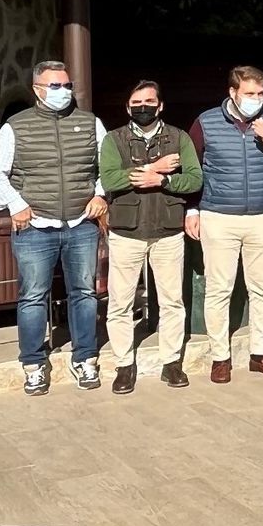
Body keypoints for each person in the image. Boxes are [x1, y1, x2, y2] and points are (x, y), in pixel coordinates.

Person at [0, 61, 108, 395]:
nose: (63, 92)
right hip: (35, 227)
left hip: (81, 224)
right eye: (55, 86)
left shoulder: (90, 123)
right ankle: (34, 364)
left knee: (84, 294)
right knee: (33, 297)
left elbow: (106, 166)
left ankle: (85, 358)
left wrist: (100, 195)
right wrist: (16, 204)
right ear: (37, 89)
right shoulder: (16, 127)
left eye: (67, 85)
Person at [189, 65, 263, 383]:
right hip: (219, 216)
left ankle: (259, 354)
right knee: (218, 290)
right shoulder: (206, 122)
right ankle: (219, 358)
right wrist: (192, 209)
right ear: (233, 93)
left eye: (260, 94)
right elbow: (191, 169)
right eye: (250, 94)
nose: (256, 99)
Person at [99, 80, 202, 393]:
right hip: (126, 232)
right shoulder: (113, 139)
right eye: (136, 103)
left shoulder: (179, 138)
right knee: (120, 303)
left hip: (167, 231)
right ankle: (124, 365)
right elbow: (109, 179)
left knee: (172, 301)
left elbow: (195, 180)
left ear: (160, 106)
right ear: (127, 107)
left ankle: (171, 363)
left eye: (148, 102)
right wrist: (151, 167)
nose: (142, 108)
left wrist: (164, 179)